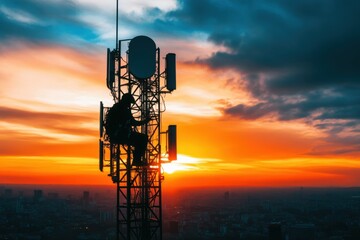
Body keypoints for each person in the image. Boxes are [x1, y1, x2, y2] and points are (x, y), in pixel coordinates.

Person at [105, 93, 149, 166]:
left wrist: (144, 121)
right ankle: (137, 160)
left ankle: (137, 160)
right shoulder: (120, 109)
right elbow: (132, 122)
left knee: (140, 139)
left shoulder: (120, 108)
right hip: (119, 135)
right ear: (126, 101)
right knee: (142, 139)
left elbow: (132, 122)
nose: (130, 105)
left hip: (120, 134)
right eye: (129, 103)